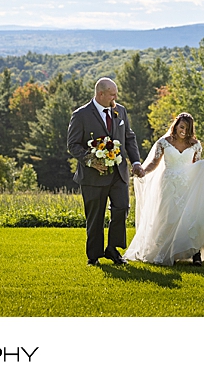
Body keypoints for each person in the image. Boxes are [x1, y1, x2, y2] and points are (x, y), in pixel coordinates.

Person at [124, 112, 204, 266]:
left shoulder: (195, 144)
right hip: (169, 184)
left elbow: (197, 165)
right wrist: (143, 171)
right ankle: (168, 252)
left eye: (187, 129)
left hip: (189, 185)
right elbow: (155, 163)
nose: (184, 131)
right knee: (169, 218)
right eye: (182, 127)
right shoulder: (164, 142)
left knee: (191, 218)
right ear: (175, 125)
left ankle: (196, 254)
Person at [67, 77, 144, 266]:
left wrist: (135, 161)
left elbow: (129, 138)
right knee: (95, 216)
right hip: (92, 176)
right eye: (112, 94)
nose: (115, 97)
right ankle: (93, 256)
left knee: (122, 208)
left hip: (119, 173)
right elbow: (72, 145)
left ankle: (113, 250)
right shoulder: (81, 115)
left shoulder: (120, 111)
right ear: (100, 94)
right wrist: (91, 160)